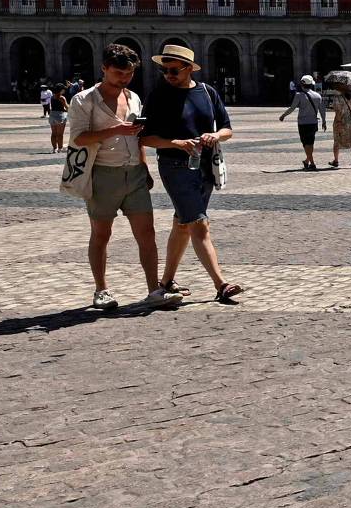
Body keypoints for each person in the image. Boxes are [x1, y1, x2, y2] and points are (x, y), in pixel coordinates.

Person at [138, 43, 243, 304]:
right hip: (175, 166)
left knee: (183, 223)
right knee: (199, 223)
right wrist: (176, 143)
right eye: (165, 70)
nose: (168, 75)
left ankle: (166, 281)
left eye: (173, 70)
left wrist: (215, 135)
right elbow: (145, 137)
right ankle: (221, 284)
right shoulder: (159, 95)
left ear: (189, 69)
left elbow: (228, 129)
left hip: (206, 165)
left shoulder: (208, 93)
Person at [69, 44, 169, 312]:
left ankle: (154, 289)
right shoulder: (84, 100)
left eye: (129, 74)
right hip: (102, 173)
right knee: (101, 234)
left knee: (147, 234)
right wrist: (115, 130)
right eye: (118, 73)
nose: (124, 79)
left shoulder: (134, 97)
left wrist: (144, 167)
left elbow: (137, 136)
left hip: (134, 173)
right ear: (104, 68)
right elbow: (78, 138)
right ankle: (101, 290)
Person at [279, 74, 326, 170]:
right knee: (311, 143)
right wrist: (324, 121)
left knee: (305, 143)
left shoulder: (298, 95)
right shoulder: (317, 96)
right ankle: (307, 161)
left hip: (303, 123)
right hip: (313, 122)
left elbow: (292, 108)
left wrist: (283, 115)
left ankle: (312, 163)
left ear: (302, 84)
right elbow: (322, 110)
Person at [326, 76, 351, 168]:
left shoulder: (337, 98)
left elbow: (338, 111)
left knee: (337, 140)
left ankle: (336, 160)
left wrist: (338, 122)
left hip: (341, 120)